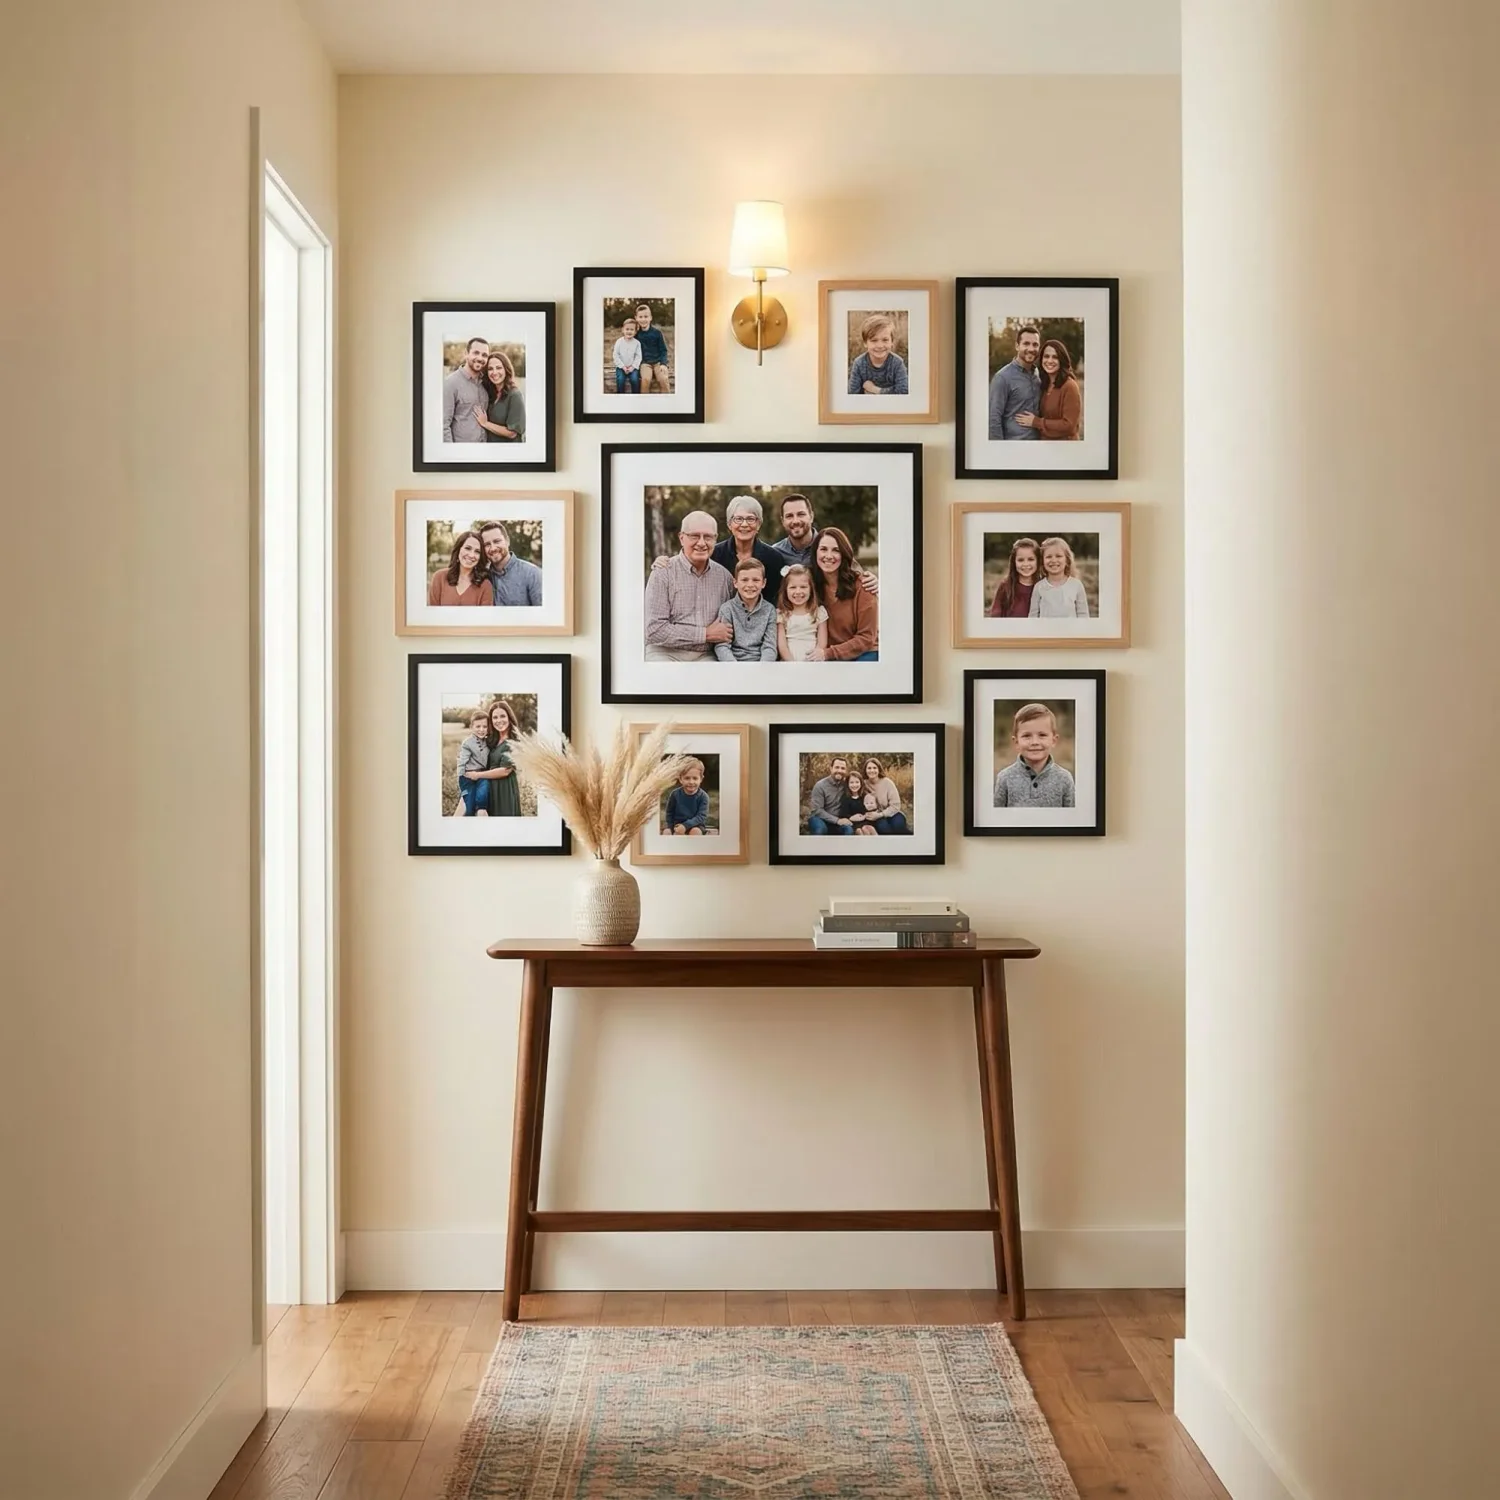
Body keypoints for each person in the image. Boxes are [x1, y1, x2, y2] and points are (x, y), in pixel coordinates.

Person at [643, 511, 734, 661]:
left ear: (715, 539)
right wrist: (705, 634)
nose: (702, 543)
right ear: (681, 538)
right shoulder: (662, 573)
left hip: (706, 655)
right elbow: (654, 630)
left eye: (708, 537)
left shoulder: (725, 577)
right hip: (665, 653)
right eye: (694, 536)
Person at [769, 493, 878, 597]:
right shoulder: (774, 553)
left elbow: (857, 575)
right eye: (789, 516)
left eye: (801, 514)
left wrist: (871, 580)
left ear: (811, 516)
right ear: (783, 521)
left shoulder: (830, 547)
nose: (795, 520)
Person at [813, 527, 879, 661]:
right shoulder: (810, 584)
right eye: (823, 549)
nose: (829, 556)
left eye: (836, 550)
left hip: (864, 653)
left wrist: (828, 653)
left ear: (844, 554)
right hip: (828, 657)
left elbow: (866, 638)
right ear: (815, 552)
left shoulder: (864, 586)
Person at [993, 703, 1076, 808]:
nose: (1034, 742)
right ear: (1016, 742)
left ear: (1054, 740)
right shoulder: (1004, 778)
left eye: (1042, 735)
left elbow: (1071, 820)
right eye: (1027, 736)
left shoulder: (1065, 779)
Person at [712, 558, 778, 662]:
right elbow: (722, 646)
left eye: (756, 580)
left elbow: (769, 646)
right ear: (735, 583)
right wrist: (735, 668)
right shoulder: (727, 609)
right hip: (733, 664)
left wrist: (763, 668)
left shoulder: (770, 610)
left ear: (764, 583)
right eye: (744, 580)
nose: (750, 585)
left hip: (761, 664)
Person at [1016, 338, 1080, 440]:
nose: (1050, 361)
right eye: (1046, 356)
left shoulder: (1069, 386)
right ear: (1041, 359)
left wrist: (1036, 422)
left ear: (1062, 360)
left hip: (1065, 449)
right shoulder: (1044, 384)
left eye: (1055, 357)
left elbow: (1069, 426)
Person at [468, 699, 523, 817]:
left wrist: (477, 775)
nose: (499, 721)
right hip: (488, 787)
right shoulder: (491, 739)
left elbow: (505, 771)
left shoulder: (514, 742)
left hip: (504, 789)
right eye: (495, 717)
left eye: (502, 716)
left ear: (509, 717)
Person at [987, 325, 1041, 440]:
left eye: (1035, 344)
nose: (1031, 348)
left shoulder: (1037, 373)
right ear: (1017, 346)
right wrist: (999, 450)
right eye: (1026, 343)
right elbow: (994, 419)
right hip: (1014, 446)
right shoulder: (1002, 377)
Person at [478, 521, 543, 607]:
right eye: (487, 544)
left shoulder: (533, 574)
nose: (492, 548)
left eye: (497, 541)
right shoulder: (483, 577)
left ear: (507, 541)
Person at [775, 564, 829, 662]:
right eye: (793, 587)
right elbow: (782, 645)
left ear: (811, 589)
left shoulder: (818, 612)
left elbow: (822, 642)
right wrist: (791, 663)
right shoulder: (782, 614)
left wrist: (815, 656)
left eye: (803, 587)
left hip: (813, 661)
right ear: (785, 590)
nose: (798, 591)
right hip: (789, 662)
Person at [1028, 536, 1090, 618]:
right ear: (1042, 561)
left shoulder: (1076, 585)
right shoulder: (1039, 587)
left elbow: (1083, 615)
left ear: (1067, 560)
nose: (1053, 560)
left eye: (1058, 556)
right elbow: (1033, 616)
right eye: (1049, 557)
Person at [428, 530, 494, 606]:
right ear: (458, 550)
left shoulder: (485, 586)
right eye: (468, 548)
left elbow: (484, 617)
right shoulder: (439, 578)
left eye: (477, 551)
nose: (472, 555)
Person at [848, 313, 909, 395]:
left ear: (892, 342)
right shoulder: (859, 364)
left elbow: (903, 391)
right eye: (874, 340)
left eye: (885, 340)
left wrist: (876, 390)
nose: (880, 346)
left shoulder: (897, 363)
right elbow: (852, 394)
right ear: (865, 343)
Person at [442, 336, 489, 443]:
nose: (480, 358)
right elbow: (444, 425)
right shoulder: (450, 383)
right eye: (476, 353)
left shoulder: (486, 383)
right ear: (466, 354)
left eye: (484, 355)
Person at [475, 350, 525, 442]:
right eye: (490, 369)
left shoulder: (515, 395)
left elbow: (512, 433)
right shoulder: (490, 393)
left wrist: (485, 423)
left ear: (506, 369)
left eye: (498, 368)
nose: (494, 372)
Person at [987, 537, 1041, 618]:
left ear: (1038, 561)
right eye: (1020, 560)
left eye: (1030, 559)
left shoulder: (1043, 586)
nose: (1026, 564)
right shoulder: (1005, 586)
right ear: (1014, 562)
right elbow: (995, 614)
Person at [453, 711, 492, 816]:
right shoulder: (468, 743)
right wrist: (461, 776)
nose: (481, 730)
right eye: (478, 726)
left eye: (485, 726)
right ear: (471, 727)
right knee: (468, 802)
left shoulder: (488, 741)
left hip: (482, 774)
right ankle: (469, 814)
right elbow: (462, 760)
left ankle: (481, 808)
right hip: (467, 776)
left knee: (483, 792)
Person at [861, 757, 910, 835]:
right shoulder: (863, 784)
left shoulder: (887, 783)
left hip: (893, 813)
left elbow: (895, 805)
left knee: (898, 826)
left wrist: (881, 814)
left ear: (879, 770)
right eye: (869, 768)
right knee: (883, 828)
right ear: (865, 770)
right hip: (874, 815)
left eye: (874, 768)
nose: (872, 770)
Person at [805, 757, 852, 835]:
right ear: (831, 768)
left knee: (848, 830)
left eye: (843, 768)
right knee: (820, 830)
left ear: (846, 770)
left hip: (838, 821)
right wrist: (837, 820)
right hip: (820, 819)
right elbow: (817, 810)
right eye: (837, 767)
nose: (840, 770)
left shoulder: (847, 785)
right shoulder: (820, 785)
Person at [663, 758, 710, 836]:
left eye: (695, 778)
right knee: (666, 832)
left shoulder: (703, 796)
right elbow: (670, 813)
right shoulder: (675, 794)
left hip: (696, 825)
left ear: (701, 779)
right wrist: (671, 827)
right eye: (687, 778)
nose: (691, 782)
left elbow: (701, 816)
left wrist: (685, 825)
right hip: (677, 825)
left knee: (695, 832)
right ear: (681, 779)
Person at [634, 303, 671, 393]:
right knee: (645, 379)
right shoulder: (636, 334)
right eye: (641, 317)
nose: (643, 319)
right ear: (636, 318)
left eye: (646, 316)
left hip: (658, 362)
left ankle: (667, 402)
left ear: (650, 318)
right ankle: (644, 402)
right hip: (645, 363)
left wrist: (663, 363)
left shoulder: (657, 333)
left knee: (663, 378)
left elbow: (663, 350)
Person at [612, 317, 642, 394]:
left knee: (635, 380)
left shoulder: (637, 343)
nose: (629, 331)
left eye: (632, 330)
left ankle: (636, 397)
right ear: (623, 330)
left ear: (635, 332)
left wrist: (633, 367)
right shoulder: (619, 342)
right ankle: (620, 397)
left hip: (633, 367)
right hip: (621, 367)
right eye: (627, 329)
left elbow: (638, 357)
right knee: (620, 380)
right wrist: (623, 366)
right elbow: (615, 355)